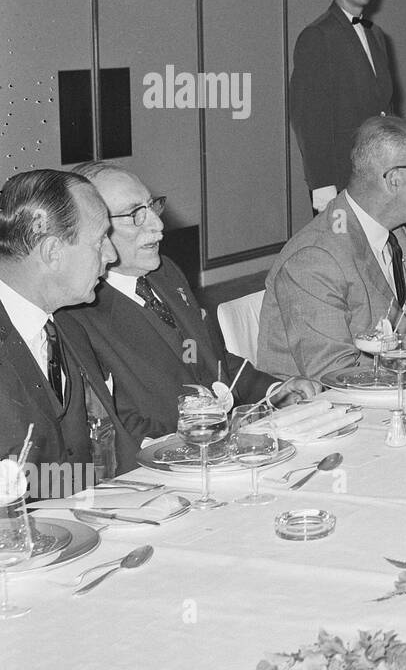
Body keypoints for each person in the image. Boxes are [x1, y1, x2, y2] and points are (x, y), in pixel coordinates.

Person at [64, 163, 318, 447]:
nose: (158, 225)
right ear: (95, 229)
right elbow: (117, 427)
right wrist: (216, 435)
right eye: (135, 214)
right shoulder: (76, 314)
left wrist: (275, 390)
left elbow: (211, 358)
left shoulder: (165, 273)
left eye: (152, 206)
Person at [257, 117, 406, 378]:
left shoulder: (397, 234)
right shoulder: (314, 259)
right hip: (329, 409)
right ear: (394, 180)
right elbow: (336, 377)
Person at [0, 169, 134, 497]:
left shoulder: (69, 327)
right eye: (100, 239)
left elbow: (83, 463)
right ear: (53, 253)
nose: (111, 255)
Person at [289, 0, 397, 212]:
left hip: (378, 174)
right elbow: (308, 120)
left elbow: (386, 110)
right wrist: (323, 188)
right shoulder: (317, 36)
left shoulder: (376, 35)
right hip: (341, 180)